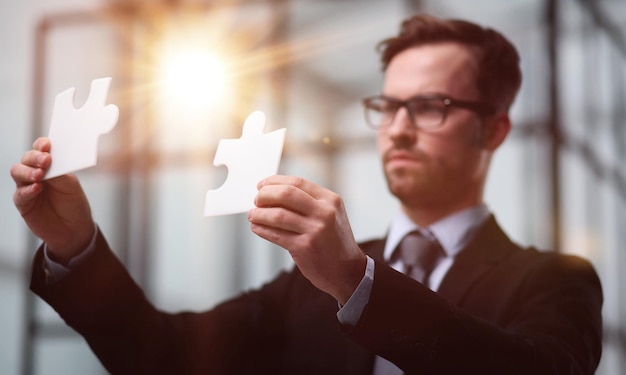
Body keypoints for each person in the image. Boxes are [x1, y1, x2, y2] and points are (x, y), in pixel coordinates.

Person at [11, 13, 602, 375]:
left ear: (495, 128)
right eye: (388, 105)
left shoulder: (556, 280)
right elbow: (167, 356)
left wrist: (356, 282)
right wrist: (76, 246)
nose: (397, 127)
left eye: (430, 107)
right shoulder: (309, 283)